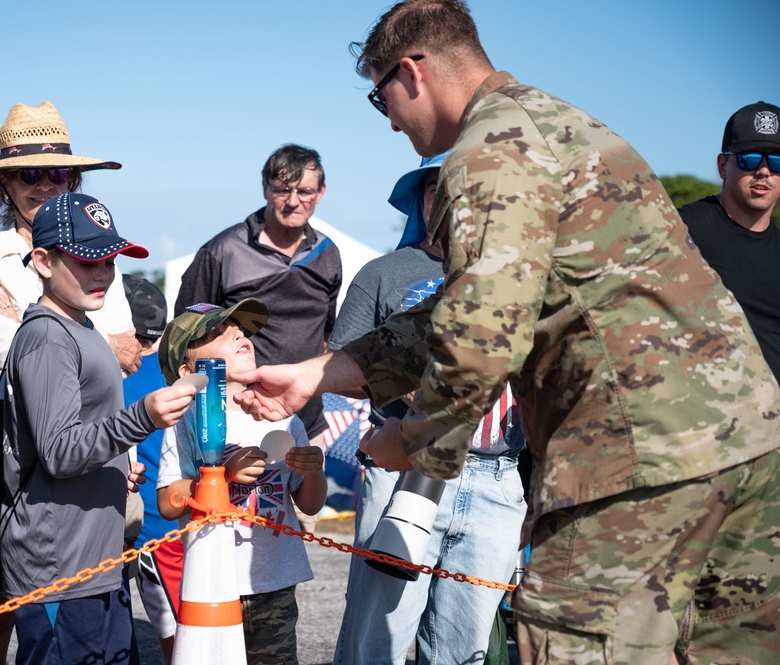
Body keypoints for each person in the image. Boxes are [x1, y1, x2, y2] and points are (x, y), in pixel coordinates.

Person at [233, 2, 780, 663]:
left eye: (382, 102)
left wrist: (409, 440)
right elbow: (468, 308)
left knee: (578, 643)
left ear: (411, 73)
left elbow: (479, 339)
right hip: (743, 445)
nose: (390, 124)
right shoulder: (571, 127)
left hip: (634, 460)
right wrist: (317, 372)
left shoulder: (488, 154)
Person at [0, 100, 143, 664]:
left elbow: (127, 354)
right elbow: (13, 348)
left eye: (58, 171)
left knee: (84, 605)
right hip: (10, 453)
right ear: (4, 183)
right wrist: (63, 330)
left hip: (88, 451)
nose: (44, 183)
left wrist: (27, 314)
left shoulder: (92, 250)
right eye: (28, 172)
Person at [329, 153, 526, 665]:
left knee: (469, 651)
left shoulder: (519, 278)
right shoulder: (384, 272)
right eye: (435, 186)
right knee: (378, 641)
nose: (448, 197)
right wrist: (408, 391)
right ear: (420, 198)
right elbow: (340, 366)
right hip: (402, 468)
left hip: (496, 477)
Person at [0, 191, 194, 665]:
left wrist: (114, 462)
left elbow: (76, 436)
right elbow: (62, 451)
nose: (104, 272)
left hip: (93, 563)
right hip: (60, 568)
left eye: (109, 259)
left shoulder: (82, 327)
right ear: (43, 262)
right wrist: (142, 417)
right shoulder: (47, 336)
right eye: (88, 261)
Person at [156, 299, 327, 665]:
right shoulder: (186, 420)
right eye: (218, 333)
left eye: (240, 331)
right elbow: (167, 502)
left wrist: (314, 471)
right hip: (213, 582)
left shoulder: (281, 415)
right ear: (188, 368)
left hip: (274, 583)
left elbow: (310, 504)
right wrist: (219, 474)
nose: (237, 336)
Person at [173, 145, 341, 470]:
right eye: (282, 190)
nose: (293, 201)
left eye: (304, 191)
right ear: (265, 188)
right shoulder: (223, 250)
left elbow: (327, 335)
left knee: (303, 519)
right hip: (235, 420)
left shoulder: (328, 254)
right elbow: (184, 335)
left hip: (305, 420)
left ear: (321, 192)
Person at [679, 101, 780, 379]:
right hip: (701, 414)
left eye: (776, 161)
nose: (764, 171)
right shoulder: (680, 230)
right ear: (723, 165)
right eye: (749, 158)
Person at [121, 275, 180, 665]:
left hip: (149, 530)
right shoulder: (175, 371)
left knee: (175, 635)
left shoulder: (114, 373)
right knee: (179, 634)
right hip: (173, 523)